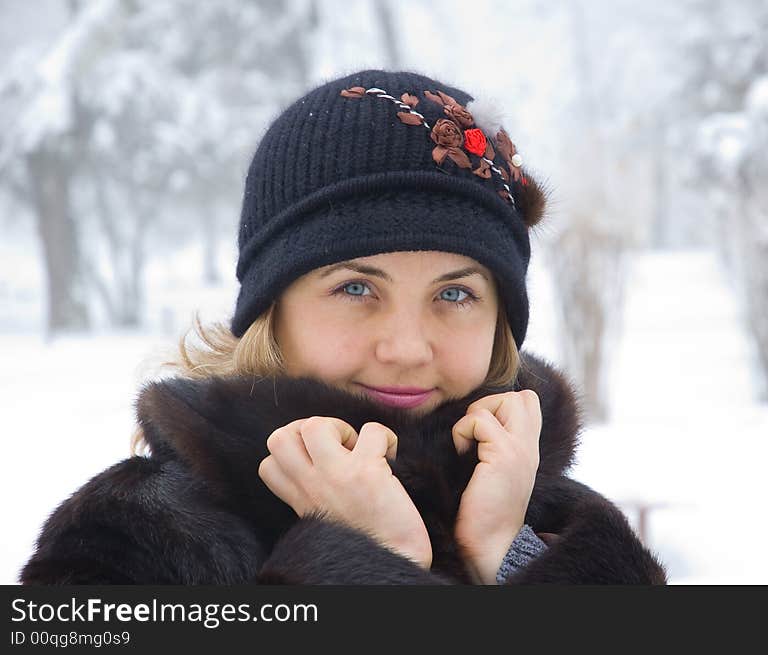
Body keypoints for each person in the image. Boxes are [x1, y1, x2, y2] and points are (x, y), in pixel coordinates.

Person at [20, 70, 666, 585]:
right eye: (356, 288)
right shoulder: (132, 535)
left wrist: (507, 552)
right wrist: (367, 560)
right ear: (271, 310)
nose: (408, 348)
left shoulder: (562, 526)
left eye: (456, 293)